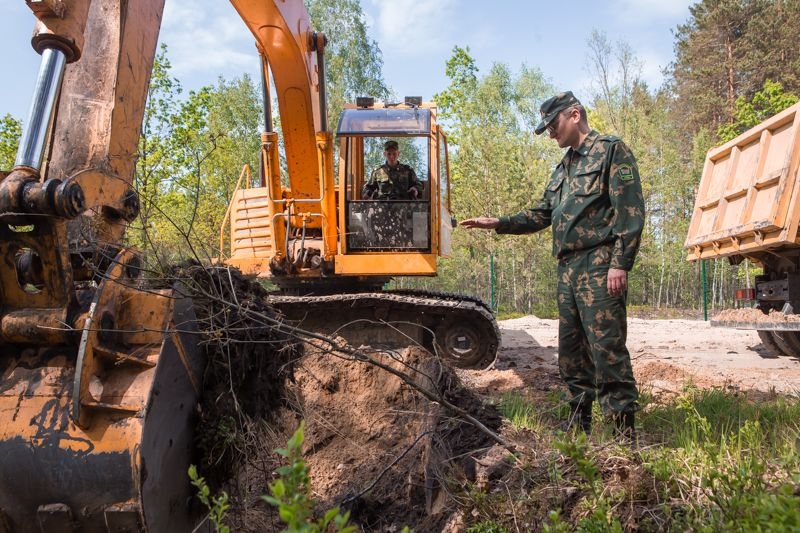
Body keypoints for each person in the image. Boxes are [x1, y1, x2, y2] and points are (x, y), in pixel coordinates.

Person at [460, 91, 645, 439]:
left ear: (574, 115)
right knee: (571, 353)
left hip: (601, 263)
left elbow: (631, 210)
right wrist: (498, 222)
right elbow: (542, 214)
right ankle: (579, 426)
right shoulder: (564, 167)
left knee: (606, 349)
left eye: (553, 124)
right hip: (568, 269)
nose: (550, 133)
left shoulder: (610, 150)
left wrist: (620, 262)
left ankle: (623, 434)